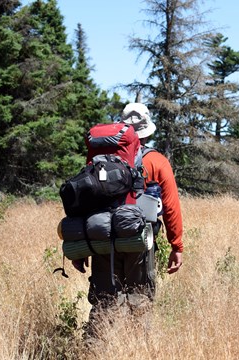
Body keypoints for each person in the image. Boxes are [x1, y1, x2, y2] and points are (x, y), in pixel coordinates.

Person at [72, 102, 183, 319]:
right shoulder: (157, 161)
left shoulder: (98, 162)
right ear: (146, 131)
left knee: (104, 301)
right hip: (140, 241)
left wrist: (80, 248)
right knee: (140, 299)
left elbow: (83, 201)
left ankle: (97, 349)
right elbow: (170, 206)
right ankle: (135, 349)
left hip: (102, 236)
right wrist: (176, 245)